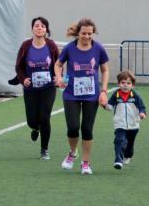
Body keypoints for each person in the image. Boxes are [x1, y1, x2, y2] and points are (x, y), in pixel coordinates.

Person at [54, 18, 110, 175]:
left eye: (90, 34)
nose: (86, 37)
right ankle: (73, 153)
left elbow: (105, 70)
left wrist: (104, 91)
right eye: (84, 33)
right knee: (73, 128)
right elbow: (58, 65)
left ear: (93, 33)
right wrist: (59, 78)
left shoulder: (98, 48)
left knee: (87, 129)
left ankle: (85, 163)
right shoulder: (69, 49)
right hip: (71, 94)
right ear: (78, 33)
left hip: (91, 95)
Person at [14, 17, 60, 160]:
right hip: (31, 88)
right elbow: (19, 66)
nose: (39, 28)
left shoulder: (51, 45)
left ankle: (44, 150)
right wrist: (23, 79)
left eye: (42, 26)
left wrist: (58, 77)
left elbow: (58, 64)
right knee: (32, 120)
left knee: (45, 117)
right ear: (32, 29)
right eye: (36, 26)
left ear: (46, 29)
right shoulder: (26, 46)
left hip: (48, 87)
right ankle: (35, 127)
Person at [106, 70, 147, 169]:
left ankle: (128, 155)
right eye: (123, 83)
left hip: (133, 125)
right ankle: (118, 160)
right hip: (120, 124)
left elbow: (142, 106)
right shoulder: (116, 94)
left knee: (129, 144)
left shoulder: (135, 96)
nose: (125, 85)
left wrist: (142, 113)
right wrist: (104, 105)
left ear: (133, 85)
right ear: (118, 84)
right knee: (119, 141)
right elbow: (110, 106)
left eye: (128, 83)